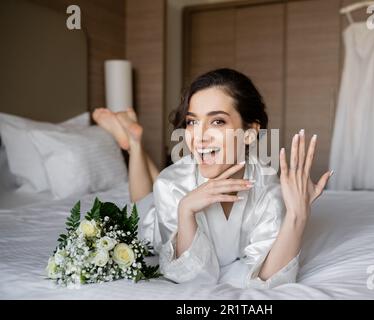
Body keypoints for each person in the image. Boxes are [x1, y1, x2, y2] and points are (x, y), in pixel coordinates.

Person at [94, 68, 332, 288]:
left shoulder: (267, 188)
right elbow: (192, 279)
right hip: (159, 217)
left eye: (217, 121)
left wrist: (298, 216)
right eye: (192, 122)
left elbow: (268, 278)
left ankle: (133, 136)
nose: (199, 137)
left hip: (175, 182)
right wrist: (186, 210)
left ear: (250, 133)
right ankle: (134, 143)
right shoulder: (171, 185)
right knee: (142, 203)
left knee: (157, 186)